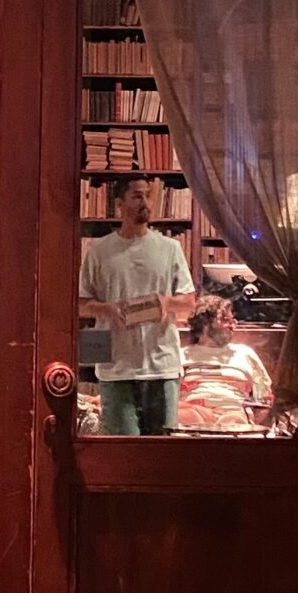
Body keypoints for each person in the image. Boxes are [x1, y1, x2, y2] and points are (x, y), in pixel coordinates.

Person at [78, 175, 193, 435]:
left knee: (162, 453)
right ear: (120, 203)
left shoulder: (170, 248)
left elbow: (189, 302)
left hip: (161, 366)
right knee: (121, 453)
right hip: (116, 367)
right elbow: (81, 304)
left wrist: (166, 302)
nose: (145, 203)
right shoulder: (99, 250)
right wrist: (108, 309)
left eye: (148, 196)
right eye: (137, 196)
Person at [179, 294, 274, 433]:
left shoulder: (245, 354)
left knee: (233, 421)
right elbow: (169, 398)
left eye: (233, 320)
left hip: (234, 416)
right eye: (225, 320)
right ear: (205, 322)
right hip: (193, 416)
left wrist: (250, 419)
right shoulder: (182, 355)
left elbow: (265, 400)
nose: (232, 325)